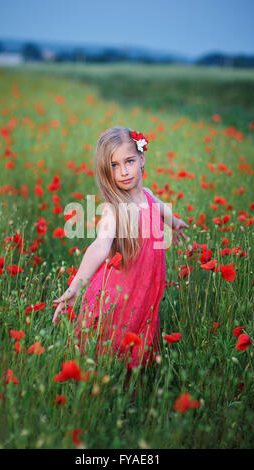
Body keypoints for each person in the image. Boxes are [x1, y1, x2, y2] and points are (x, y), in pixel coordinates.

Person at [52, 126, 188, 374]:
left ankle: (133, 385)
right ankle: (107, 380)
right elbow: (100, 246)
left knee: (140, 328)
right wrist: (75, 286)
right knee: (116, 337)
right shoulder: (114, 208)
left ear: (142, 159)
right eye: (114, 165)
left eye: (129, 161)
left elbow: (161, 208)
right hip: (121, 291)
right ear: (107, 171)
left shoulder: (146, 196)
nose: (124, 171)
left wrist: (175, 223)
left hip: (146, 287)